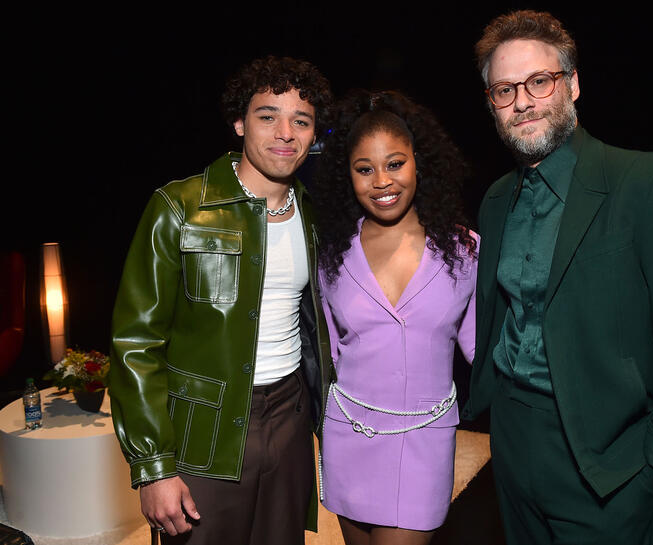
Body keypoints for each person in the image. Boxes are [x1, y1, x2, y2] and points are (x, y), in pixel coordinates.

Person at [462, 10, 653, 544]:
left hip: (610, 459)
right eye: (504, 90)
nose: (523, 102)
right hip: (511, 441)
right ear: (491, 102)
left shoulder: (647, 183)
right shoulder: (494, 201)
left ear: (573, 84)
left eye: (539, 81)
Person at [109, 56, 335, 545]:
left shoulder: (312, 215)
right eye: (267, 115)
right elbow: (134, 343)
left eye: (301, 120)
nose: (285, 132)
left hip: (290, 421)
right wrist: (153, 467)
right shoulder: (179, 207)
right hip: (202, 433)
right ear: (238, 122)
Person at [315, 90, 478, 545]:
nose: (381, 181)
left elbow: (484, 350)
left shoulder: (464, 251)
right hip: (349, 436)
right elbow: (329, 354)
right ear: (347, 176)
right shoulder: (332, 255)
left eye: (395, 163)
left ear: (419, 163)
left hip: (423, 442)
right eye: (364, 169)